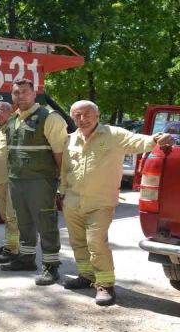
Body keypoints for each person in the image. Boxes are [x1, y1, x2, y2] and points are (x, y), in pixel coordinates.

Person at [60, 100, 174, 306]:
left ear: (97, 115)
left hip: (100, 202)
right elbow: (66, 170)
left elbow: (141, 141)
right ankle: (86, 276)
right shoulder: (70, 140)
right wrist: (62, 194)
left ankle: (105, 284)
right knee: (78, 242)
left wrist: (159, 138)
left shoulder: (114, 135)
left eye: (86, 114)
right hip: (73, 201)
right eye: (76, 116)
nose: (81, 119)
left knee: (97, 243)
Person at [1, 78, 68, 286]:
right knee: (24, 221)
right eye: (16, 93)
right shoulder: (12, 119)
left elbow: (60, 152)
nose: (20, 96)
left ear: (34, 93)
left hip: (40, 180)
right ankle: (26, 258)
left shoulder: (48, 117)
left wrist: (63, 180)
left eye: (24, 91)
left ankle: (51, 266)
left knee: (45, 222)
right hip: (17, 179)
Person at [0, 102, 20, 262]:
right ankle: (10, 244)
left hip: (12, 180)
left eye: (0, 111)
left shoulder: (16, 129)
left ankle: (13, 250)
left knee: (12, 216)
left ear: (10, 111)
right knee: (4, 216)